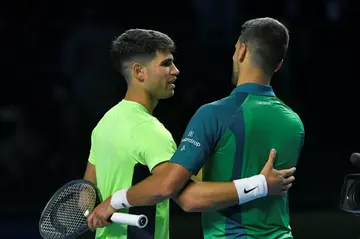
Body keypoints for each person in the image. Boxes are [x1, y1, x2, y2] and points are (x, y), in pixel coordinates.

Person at [86, 27, 298, 238]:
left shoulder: (103, 124)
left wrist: (99, 209)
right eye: (166, 64)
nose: (176, 70)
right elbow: (182, 194)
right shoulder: (152, 133)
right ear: (139, 71)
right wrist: (260, 184)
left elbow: (85, 197)